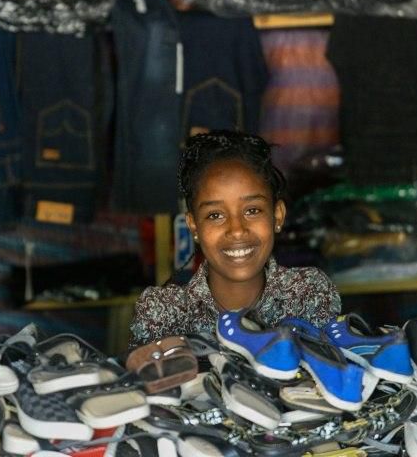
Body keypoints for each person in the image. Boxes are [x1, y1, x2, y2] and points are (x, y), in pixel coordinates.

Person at [129, 129, 340, 348]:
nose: (237, 230)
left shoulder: (307, 292)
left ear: (277, 216)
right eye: (215, 215)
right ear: (194, 226)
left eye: (252, 210)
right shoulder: (164, 311)